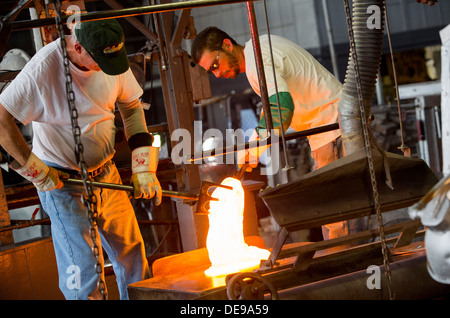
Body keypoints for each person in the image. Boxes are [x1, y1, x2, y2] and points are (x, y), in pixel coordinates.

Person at [0, 19, 162, 300]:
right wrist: (35, 169)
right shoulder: (43, 69)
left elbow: (132, 108)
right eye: (100, 61)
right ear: (78, 47)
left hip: (108, 175)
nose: (107, 69)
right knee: (84, 275)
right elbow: (2, 122)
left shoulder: (111, 59)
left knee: (134, 259)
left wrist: (143, 168)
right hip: (63, 185)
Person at [191, 27, 350, 240]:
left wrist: (255, 148)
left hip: (333, 126)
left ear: (227, 45)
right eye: (212, 71)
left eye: (215, 65)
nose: (217, 74)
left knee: (338, 213)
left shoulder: (257, 59)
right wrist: (254, 145)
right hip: (331, 125)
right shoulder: (260, 49)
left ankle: (354, 267)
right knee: (336, 208)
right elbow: (274, 107)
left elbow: (281, 107)